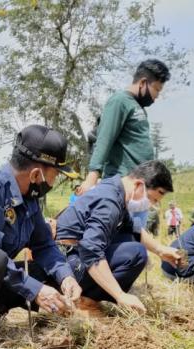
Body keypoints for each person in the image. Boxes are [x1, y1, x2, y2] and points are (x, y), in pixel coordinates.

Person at [0, 125, 83, 349]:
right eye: (56, 174)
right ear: (36, 175)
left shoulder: (28, 199)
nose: (54, 181)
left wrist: (66, 277)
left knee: (62, 268)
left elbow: (44, 245)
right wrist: (36, 290)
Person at [54, 160, 182, 317]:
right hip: (65, 262)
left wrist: (161, 250)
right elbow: (90, 249)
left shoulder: (115, 190)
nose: (151, 205)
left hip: (69, 256)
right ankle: (84, 303)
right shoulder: (110, 201)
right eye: (152, 199)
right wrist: (120, 295)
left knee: (128, 237)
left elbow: (132, 228)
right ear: (138, 185)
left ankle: (89, 295)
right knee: (136, 253)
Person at [77, 59, 172, 233]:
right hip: (122, 187)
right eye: (156, 90)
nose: (156, 97)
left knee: (134, 245)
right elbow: (105, 139)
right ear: (143, 82)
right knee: (119, 244)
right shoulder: (119, 101)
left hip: (139, 190)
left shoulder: (138, 107)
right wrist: (92, 177)